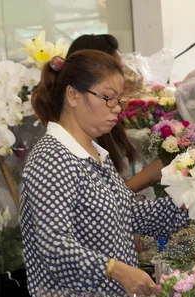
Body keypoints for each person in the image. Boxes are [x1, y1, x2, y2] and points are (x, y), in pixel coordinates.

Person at [20, 50, 195, 297]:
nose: (116, 109)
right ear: (73, 95)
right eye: (107, 98)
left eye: (119, 100)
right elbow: (55, 247)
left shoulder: (95, 154)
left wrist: (185, 204)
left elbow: (130, 215)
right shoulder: (51, 160)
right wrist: (116, 270)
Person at [67, 34, 163, 193]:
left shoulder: (103, 122)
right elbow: (98, 207)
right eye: (117, 70)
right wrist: (147, 177)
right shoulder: (70, 146)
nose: (124, 77)